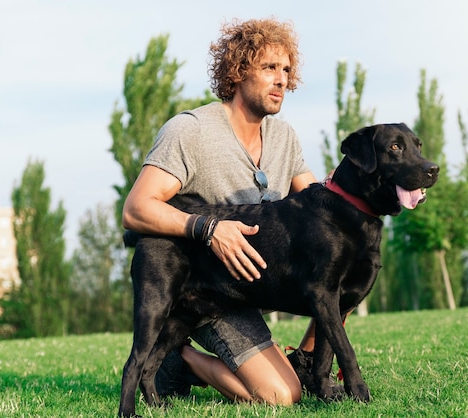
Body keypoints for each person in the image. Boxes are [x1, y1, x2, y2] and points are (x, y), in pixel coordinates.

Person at [122, 17, 330, 405]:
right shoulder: (191, 131)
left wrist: (345, 190)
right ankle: (178, 358)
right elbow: (135, 210)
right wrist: (209, 229)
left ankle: (304, 361)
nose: (281, 79)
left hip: (253, 290)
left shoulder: (284, 137)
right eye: (269, 68)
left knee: (342, 264)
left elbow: (317, 206)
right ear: (237, 71)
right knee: (280, 396)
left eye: (286, 69)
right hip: (202, 291)